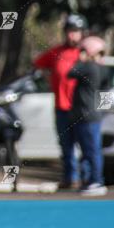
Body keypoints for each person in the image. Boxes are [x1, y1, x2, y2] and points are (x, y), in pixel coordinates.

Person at [33, 13, 86, 190]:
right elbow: (38, 64)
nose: (73, 35)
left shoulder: (85, 53)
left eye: (76, 32)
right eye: (70, 31)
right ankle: (69, 177)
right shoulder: (56, 52)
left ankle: (86, 177)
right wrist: (49, 78)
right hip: (61, 107)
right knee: (66, 145)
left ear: (82, 33)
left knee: (85, 144)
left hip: (81, 108)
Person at [68, 36, 109, 196]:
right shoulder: (104, 69)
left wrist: (82, 59)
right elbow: (107, 92)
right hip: (94, 116)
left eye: (83, 50)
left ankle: (96, 181)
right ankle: (90, 180)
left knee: (91, 150)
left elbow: (70, 72)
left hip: (86, 116)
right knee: (90, 150)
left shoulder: (88, 67)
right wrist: (102, 112)